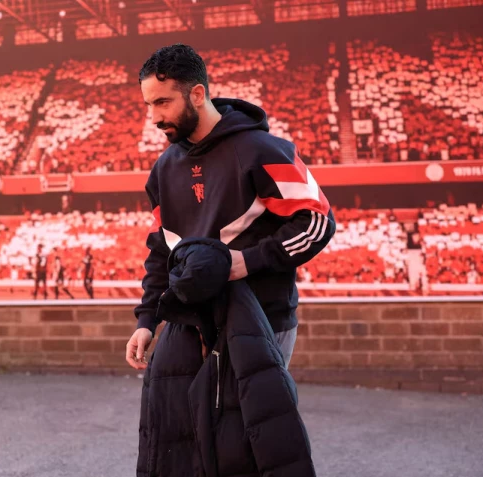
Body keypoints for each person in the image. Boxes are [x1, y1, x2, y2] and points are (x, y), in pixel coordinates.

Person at [126, 44, 336, 371]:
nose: (154, 117)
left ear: (197, 94)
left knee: (255, 422)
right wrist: (147, 320)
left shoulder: (263, 150)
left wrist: (248, 262)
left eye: (163, 102)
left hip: (262, 319)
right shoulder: (162, 169)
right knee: (188, 422)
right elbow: (161, 251)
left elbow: (318, 222)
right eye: (149, 105)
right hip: (193, 325)